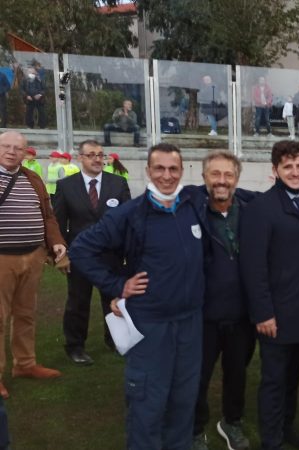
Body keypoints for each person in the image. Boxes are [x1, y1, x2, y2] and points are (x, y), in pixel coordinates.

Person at [70, 143, 206, 450]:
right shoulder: (131, 213)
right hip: (150, 326)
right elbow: (80, 249)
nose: (167, 176)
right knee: (148, 403)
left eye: (173, 169)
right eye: (159, 168)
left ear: (182, 171)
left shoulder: (192, 204)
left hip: (190, 324)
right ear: (148, 171)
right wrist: (117, 286)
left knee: (184, 402)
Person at [240, 141, 299, 450]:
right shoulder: (262, 208)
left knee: (292, 378)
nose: (295, 172)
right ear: (275, 171)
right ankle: (271, 440)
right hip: (275, 313)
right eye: (288, 166)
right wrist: (263, 313)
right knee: (273, 381)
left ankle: (288, 427)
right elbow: (253, 266)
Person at [188, 151, 257, 450]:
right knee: (198, 376)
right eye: (215, 174)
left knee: (237, 373)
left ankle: (232, 422)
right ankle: (194, 429)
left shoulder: (252, 209)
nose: (222, 181)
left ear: (237, 179)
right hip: (203, 314)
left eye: (228, 175)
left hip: (242, 313)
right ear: (204, 177)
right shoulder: (191, 210)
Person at [0, 131, 66, 399]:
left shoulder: (32, 178)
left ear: (26, 153)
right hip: (2, 258)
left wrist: (57, 242)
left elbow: (48, 216)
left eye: (18, 148)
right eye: (6, 146)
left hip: (33, 256)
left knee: (26, 314)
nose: (11, 151)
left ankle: (25, 365)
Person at [53, 140, 131, 365]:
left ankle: (116, 340)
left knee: (114, 300)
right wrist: (62, 255)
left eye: (100, 155)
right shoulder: (66, 186)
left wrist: (128, 253)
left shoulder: (118, 183)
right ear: (81, 158)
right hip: (80, 257)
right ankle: (75, 346)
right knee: (78, 302)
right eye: (91, 155)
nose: (97, 159)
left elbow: (128, 220)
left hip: (111, 256)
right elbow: (58, 224)